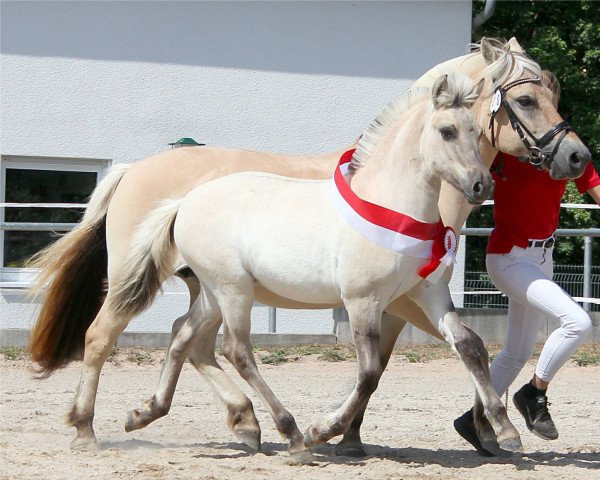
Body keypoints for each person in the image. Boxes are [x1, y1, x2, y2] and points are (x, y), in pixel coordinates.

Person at [454, 152, 600, 457]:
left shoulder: (567, 149)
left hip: (543, 258)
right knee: (578, 322)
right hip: (508, 257)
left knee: (517, 352)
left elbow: (594, 185)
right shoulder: (506, 153)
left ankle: (474, 419)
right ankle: (534, 392)